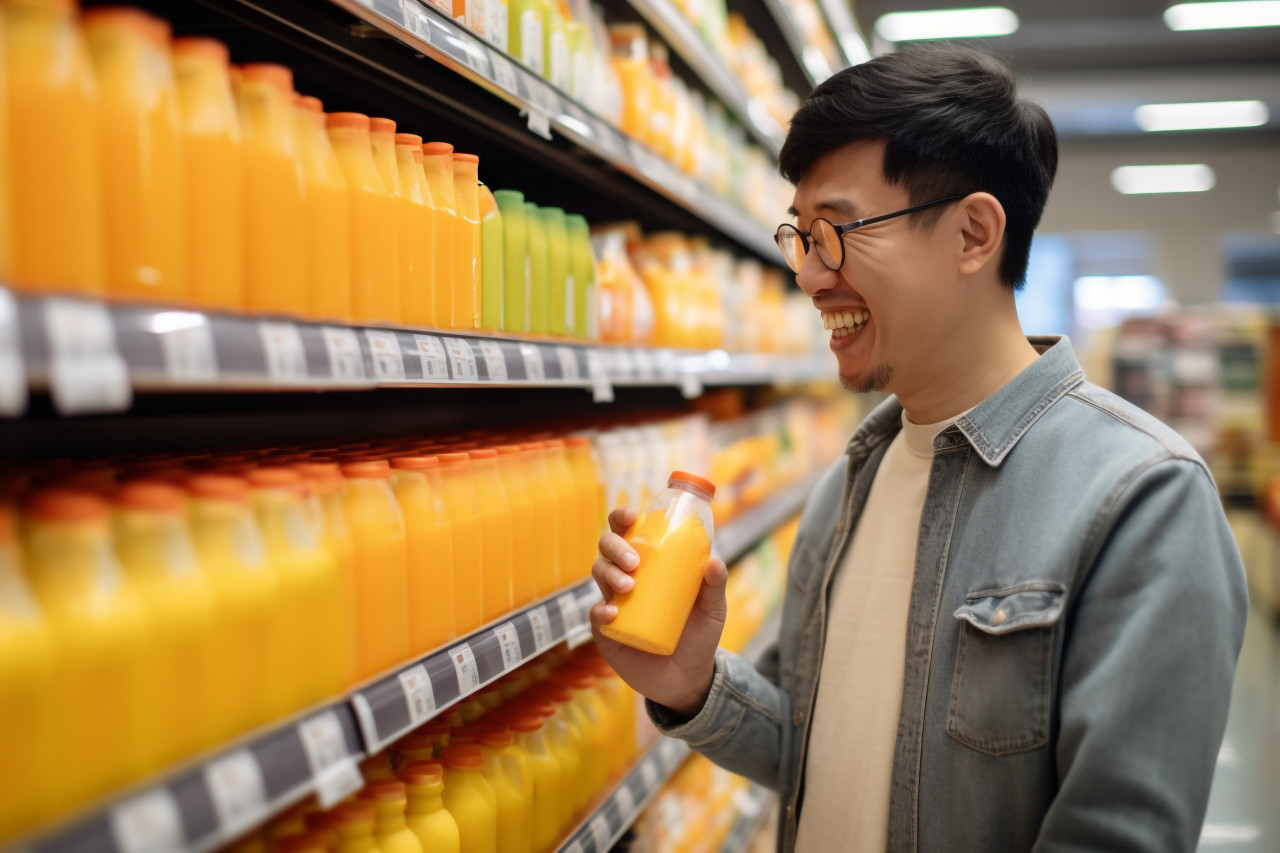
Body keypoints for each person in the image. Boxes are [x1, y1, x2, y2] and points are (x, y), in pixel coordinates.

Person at [589, 43, 1248, 853]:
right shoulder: (847, 486)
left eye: (834, 232)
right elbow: (818, 753)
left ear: (973, 233)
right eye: (799, 236)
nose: (808, 275)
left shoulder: (1144, 500)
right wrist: (693, 684)